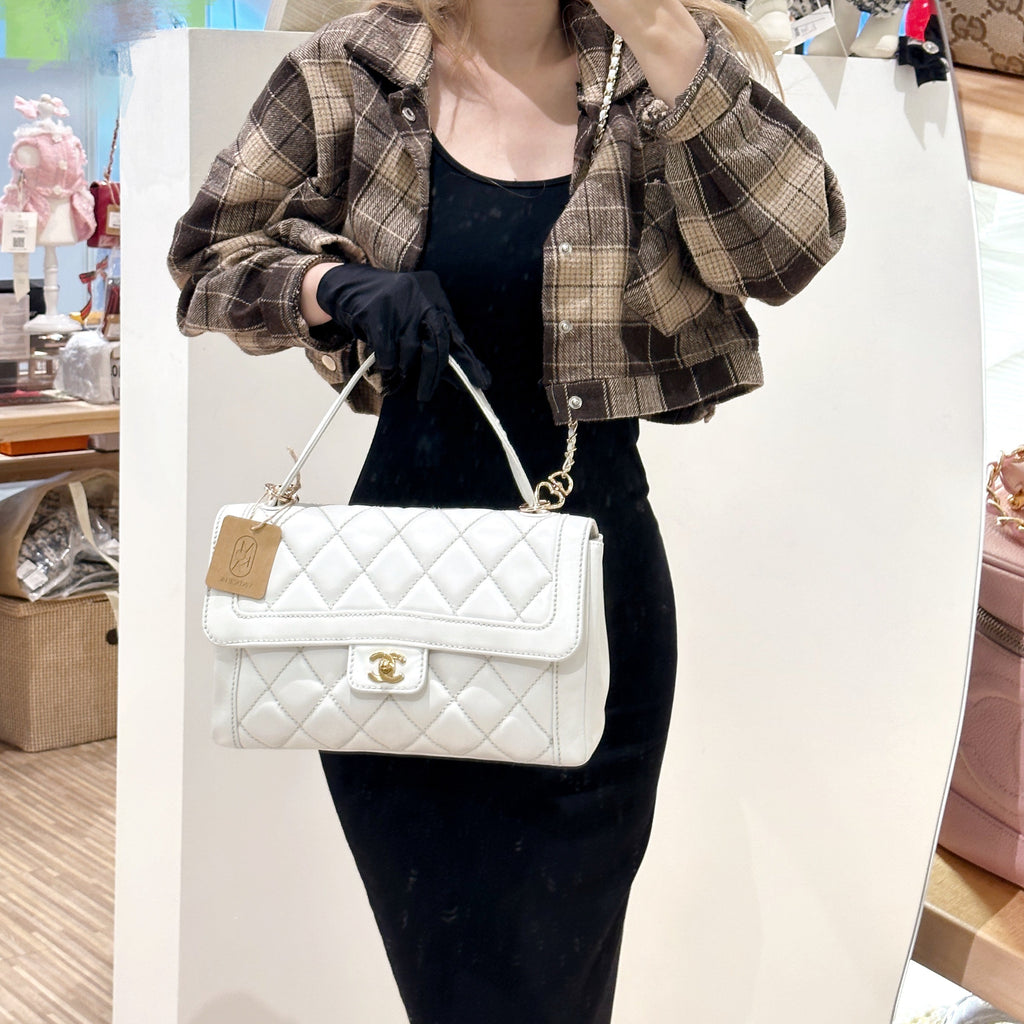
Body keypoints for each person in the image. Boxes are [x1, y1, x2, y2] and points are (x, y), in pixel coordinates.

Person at [168, 1, 845, 1020]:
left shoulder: (646, 75)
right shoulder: (351, 69)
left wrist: (662, 31)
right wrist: (334, 285)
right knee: (455, 988)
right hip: (391, 610)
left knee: (555, 986)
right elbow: (207, 258)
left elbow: (786, 252)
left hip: (594, 605)